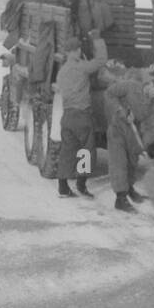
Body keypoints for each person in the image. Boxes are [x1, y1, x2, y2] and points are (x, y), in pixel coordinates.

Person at [54, 32, 107, 199]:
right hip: (82, 116)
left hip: (67, 116)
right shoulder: (81, 66)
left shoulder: (62, 71)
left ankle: (63, 188)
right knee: (86, 151)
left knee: (67, 152)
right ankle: (81, 185)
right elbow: (100, 62)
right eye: (78, 49)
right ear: (76, 51)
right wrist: (97, 40)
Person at [103, 70, 149, 213]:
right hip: (118, 129)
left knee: (132, 162)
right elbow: (109, 93)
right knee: (119, 162)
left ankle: (129, 189)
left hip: (132, 131)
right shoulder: (129, 85)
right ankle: (120, 198)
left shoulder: (148, 96)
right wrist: (120, 111)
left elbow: (142, 114)